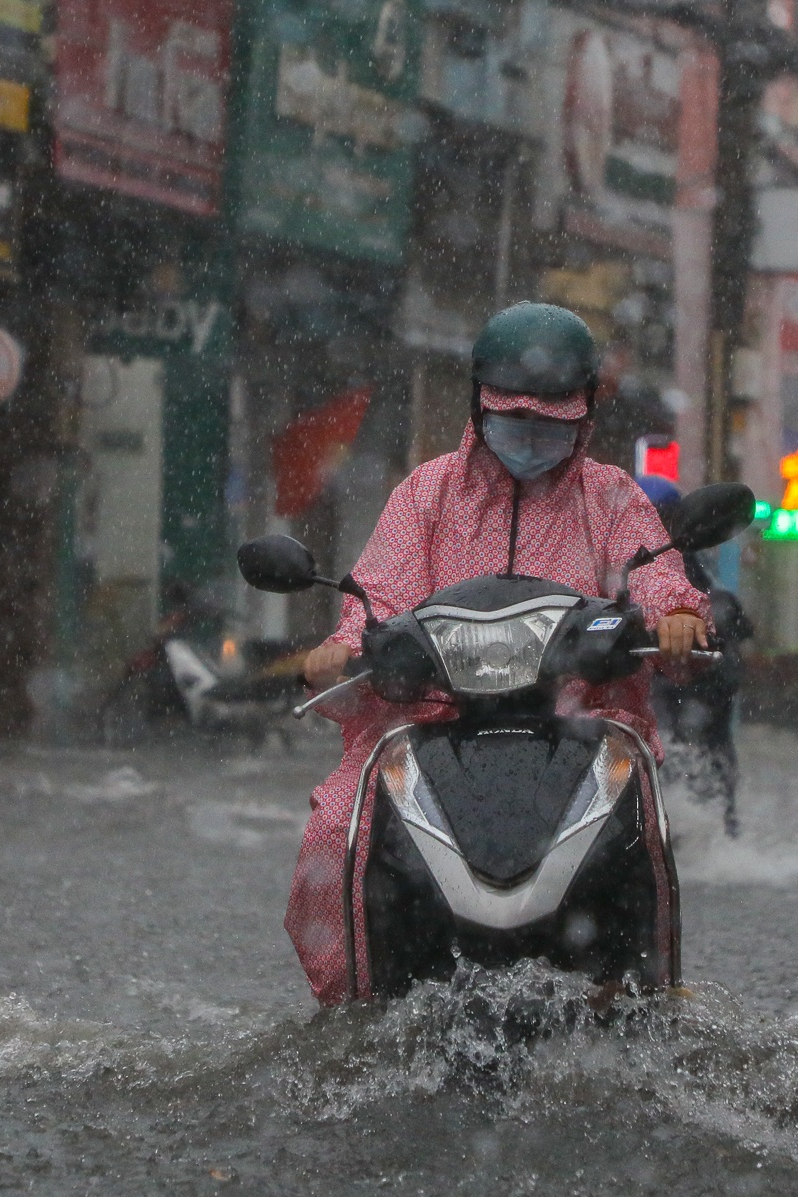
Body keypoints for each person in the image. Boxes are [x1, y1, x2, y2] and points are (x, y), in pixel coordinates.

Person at [289, 302, 710, 1005]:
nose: (531, 436)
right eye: (514, 419)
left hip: (581, 724)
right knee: (341, 821)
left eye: (551, 422)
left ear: (583, 417)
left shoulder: (611, 498)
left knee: (644, 823)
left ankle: (654, 990)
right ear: (478, 407)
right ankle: (355, 1005)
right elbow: (377, 595)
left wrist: (677, 618)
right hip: (433, 722)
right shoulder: (427, 493)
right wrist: (340, 650)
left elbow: (654, 576)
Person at [640, 472, 753, 836]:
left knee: (700, 728)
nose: (648, 526)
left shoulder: (699, 578)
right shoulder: (603, 566)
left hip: (691, 692)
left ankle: (720, 823)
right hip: (631, 692)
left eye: (659, 515)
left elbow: (728, 625)